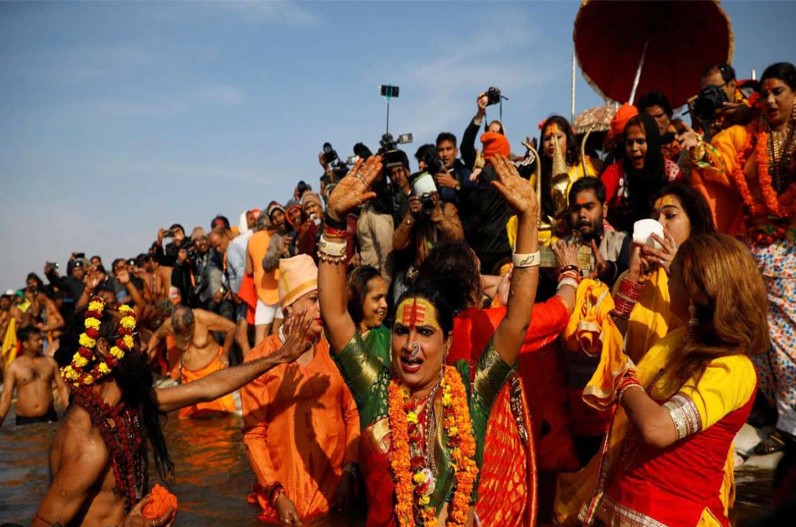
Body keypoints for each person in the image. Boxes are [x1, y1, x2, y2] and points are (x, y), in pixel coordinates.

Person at [319, 154, 539, 526]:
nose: (411, 345)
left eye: (425, 332)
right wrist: (333, 223)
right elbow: (335, 315)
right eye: (402, 331)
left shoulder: (472, 390)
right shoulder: (376, 391)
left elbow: (516, 322)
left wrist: (529, 220)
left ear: (448, 342)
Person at [32, 297, 312, 527]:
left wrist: (279, 357)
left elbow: (209, 387)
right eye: (134, 338)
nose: (144, 346)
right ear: (105, 349)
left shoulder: (129, 404)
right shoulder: (87, 442)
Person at [562, 233, 769, 527]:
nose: (668, 281)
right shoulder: (679, 340)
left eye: (675, 276)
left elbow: (656, 427)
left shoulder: (734, 369)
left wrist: (622, 376)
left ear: (697, 292)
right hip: (620, 505)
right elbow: (619, 347)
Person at [686, 62, 796, 454]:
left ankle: (792, 422)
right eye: (764, 93)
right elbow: (722, 170)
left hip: (791, 249)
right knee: (755, 332)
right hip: (753, 246)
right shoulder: (751, 134)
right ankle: (768, 410)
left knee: (788, 338)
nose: (769, 100)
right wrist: (698, 149)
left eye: (778, 92)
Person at [241, 254, 360, 525]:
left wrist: (349, 473)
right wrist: (277, 494)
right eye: (313, 299)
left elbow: (352, 414)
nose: (321, 308)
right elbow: (254, 435)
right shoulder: (260, 360)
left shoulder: (336, 351)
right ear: (289, 309)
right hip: (280, 498)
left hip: (335, 490)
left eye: (323, 299)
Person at [147, 305, 236, 418]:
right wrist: (146, 353)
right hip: (189, 376)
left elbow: (231, 327)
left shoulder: (202, 317)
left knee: (225, 416)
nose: (184, 336)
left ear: (192, 323)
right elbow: (156, 336)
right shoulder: (170, 325)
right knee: (187, 420)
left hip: (213, 371)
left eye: (185, 331)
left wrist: (225, 354)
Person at [601, 113, 683, 233]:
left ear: (652, 142)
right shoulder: (616, 172)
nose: (634, 148)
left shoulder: (671, 173)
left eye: (640, 141)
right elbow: (596, 208)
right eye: (630, 143)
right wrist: (613, 236)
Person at [563, 177, 628, 285]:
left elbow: (629, 273)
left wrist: (609, 270)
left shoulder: (620, 242)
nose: (582, 215)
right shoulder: (563, 248)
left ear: (604, 210)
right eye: (576, 209)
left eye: (589, 207)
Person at [0, 326, 69, 426]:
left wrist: (69, 411)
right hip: (25, 421)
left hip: (49, 418)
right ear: (25, 344)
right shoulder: (15, 367)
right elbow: (6, 397)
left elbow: (62, 389)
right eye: (37, 340)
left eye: (42, 339)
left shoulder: (50, 362)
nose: (41, 343)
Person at [246, 214, 282, 344]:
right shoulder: (276, 236)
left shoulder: (251, 240)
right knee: (278, 332)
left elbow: (249, 269)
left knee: (260, 336)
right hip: (281, 288)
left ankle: (259, 361)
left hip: (263, 291)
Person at [347, 265, 390, 366]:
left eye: (385, 298)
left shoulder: (388, 340)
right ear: (358, 299)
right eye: (376, 298)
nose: (384, 304)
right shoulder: (339, 335)